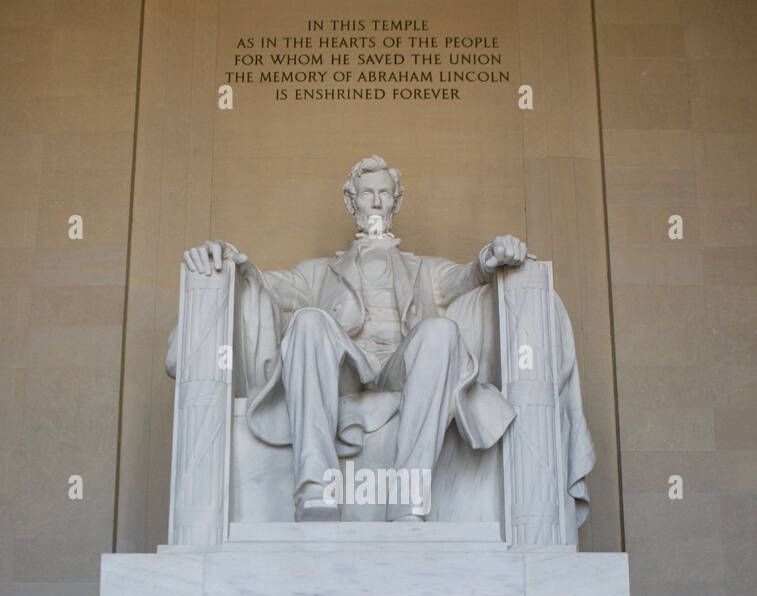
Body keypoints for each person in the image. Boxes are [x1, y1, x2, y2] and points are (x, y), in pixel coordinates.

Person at [174, 155, 527, 520]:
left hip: (401, 366)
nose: (375, 202)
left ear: (397, 202)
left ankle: (409, 496)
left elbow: (469, 276)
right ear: (350, 201)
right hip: (346, 367)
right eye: (367, 193)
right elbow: (264, 283)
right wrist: (231, 261)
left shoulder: (428, 270)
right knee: (309, 321)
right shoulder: (316, 273)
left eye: (385, 194)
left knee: (441, 330)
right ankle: (316, 490)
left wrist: (493, 255)